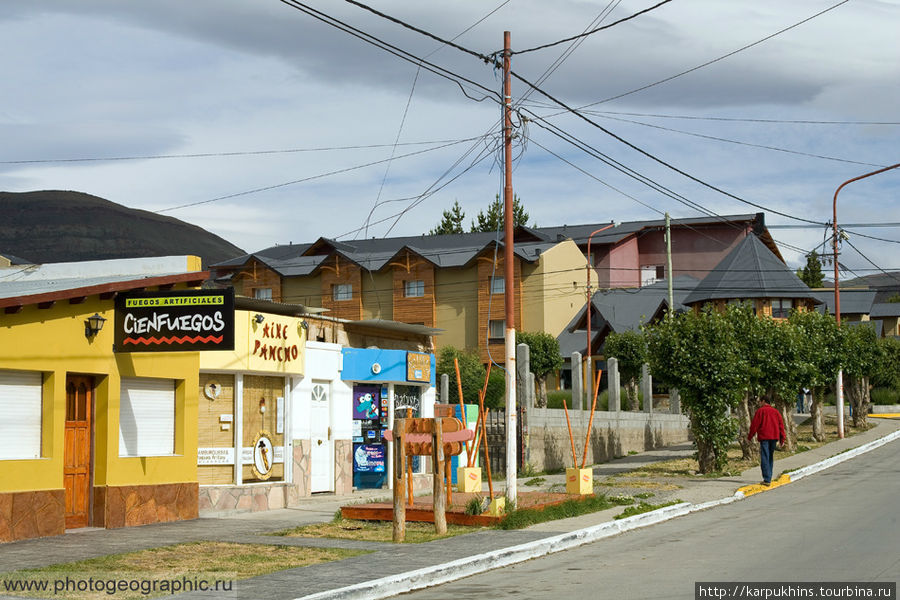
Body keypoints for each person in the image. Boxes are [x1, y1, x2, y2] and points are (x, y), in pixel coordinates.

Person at [747, 399, 786, 486]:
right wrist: (782, 439)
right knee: (770, 456)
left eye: (760, 402)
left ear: (763, 401)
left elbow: (754, 425)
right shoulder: (775, 412)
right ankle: (769, 476)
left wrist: (750, 437)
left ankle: (767, 479)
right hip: (774, 437)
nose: (759, 404)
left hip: (764, 437)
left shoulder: (760, 411)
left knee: (765, 456)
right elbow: (781, 425)